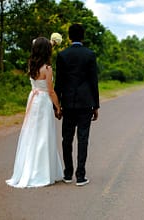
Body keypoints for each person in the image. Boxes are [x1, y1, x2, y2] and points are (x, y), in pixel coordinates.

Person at [6, 37, 63, 188]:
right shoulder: (47, 69)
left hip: (33, 99)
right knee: (44, 135)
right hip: (43, 101)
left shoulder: (31, 64)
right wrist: (58, 106)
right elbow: (50, 91)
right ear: (47, 51)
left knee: (32, 134)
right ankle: (41, 172)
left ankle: (28, 169)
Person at [55, 23, 100, 186]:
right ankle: (80, 176)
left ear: (69, 36)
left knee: (66, 139)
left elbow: (58, 82)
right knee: (83, 139)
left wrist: (57, 106)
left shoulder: (62, 55)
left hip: (67, 103)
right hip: (85, 103)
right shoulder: (90, 54)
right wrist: (96, 106)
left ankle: (67, 174)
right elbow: (94, 81)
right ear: (82, 36)